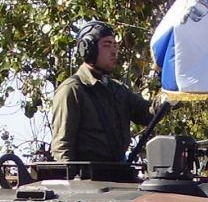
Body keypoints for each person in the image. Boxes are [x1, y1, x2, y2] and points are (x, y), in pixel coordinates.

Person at [50, 21, 154, 179]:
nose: (114, 51)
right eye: (107, 45)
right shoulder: (73, 89)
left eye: (115, 45)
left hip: (117, 175)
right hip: (89, 181)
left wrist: (169, 96)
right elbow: (62, 146)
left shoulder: (117, 90)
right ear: (88, 49)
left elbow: (148, 114)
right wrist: (72, 182)